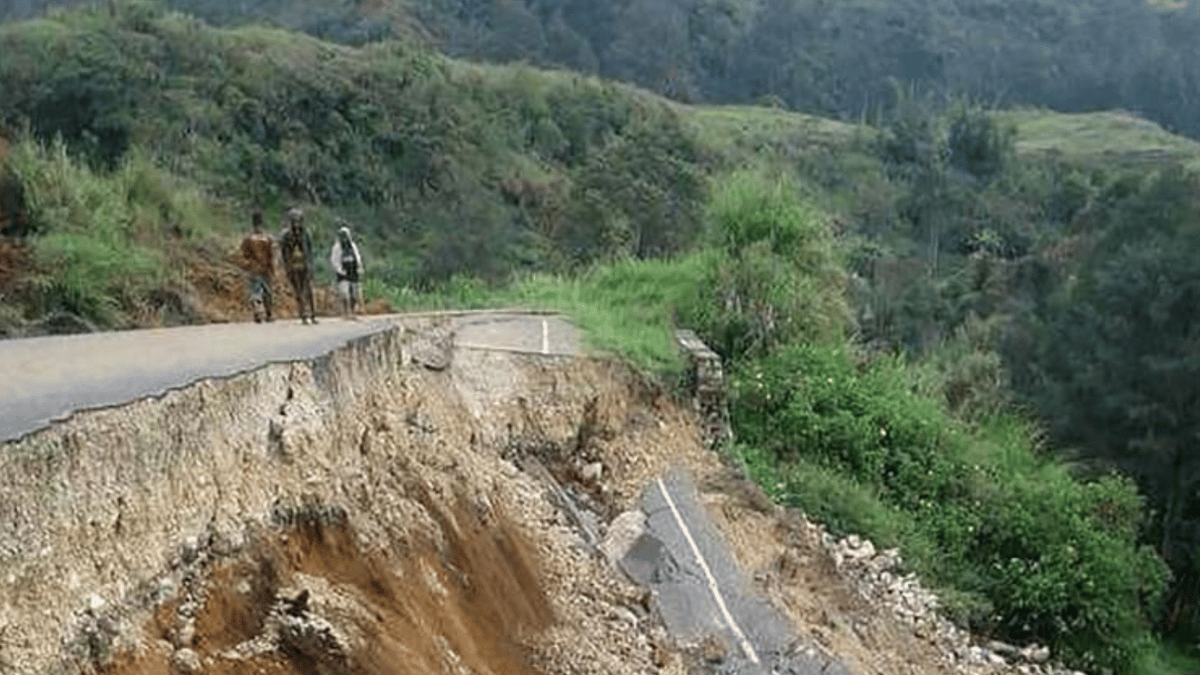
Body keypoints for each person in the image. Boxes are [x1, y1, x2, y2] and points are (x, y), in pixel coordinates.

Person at [279, 207, 317, 324]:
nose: (296, 223)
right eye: (294, 220)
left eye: (298, 220)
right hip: (293, 266)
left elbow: (309, 251)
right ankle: (303, 315)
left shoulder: (305, 234)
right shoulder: (286, 236)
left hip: (305, 265)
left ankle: (313, 314)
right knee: (299, 291)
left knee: (309, 290)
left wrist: (310, 266)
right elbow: (284, 252)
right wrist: (286, 267)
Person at [240, 209, 275, 323]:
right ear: (262, 222)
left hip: (254, 269)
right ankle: (269, 314)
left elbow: (244, 254)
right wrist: (273, 269)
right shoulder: (268, 238)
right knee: (267, 292)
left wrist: (247, 266)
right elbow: (272, 255)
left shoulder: (248, 238)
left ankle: (257, 311)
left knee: (256, 291)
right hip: (265, 268)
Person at [329, 222, 363, 319]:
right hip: (343, 274)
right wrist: (340, 271)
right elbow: (334, 261)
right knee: (345, 294)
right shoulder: (337, 247)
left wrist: (359, 268)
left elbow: (358, 258)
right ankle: (345, 312)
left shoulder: (352, 246)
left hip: (353, 273)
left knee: (354, 295)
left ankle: (352, 312)